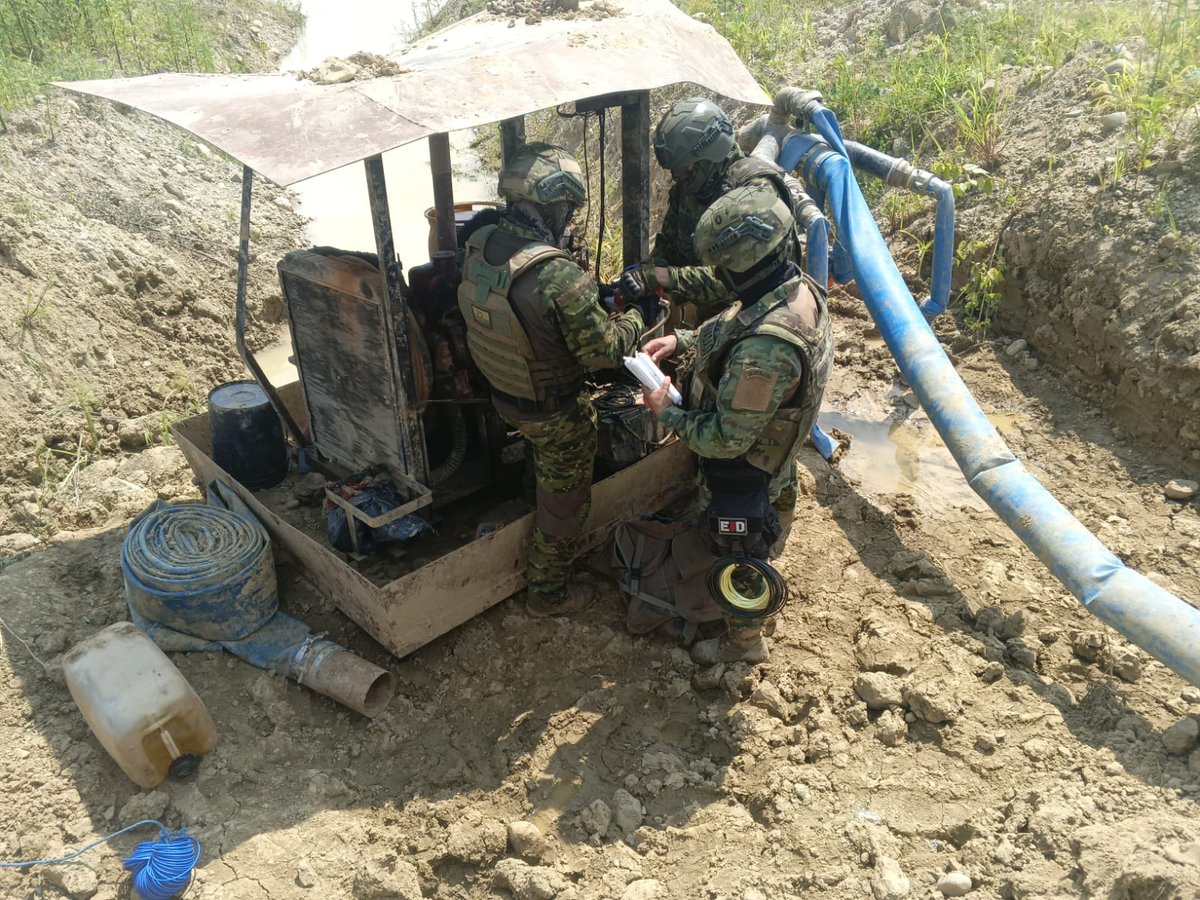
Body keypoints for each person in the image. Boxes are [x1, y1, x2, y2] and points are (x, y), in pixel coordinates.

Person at [457, 143, 657, 618]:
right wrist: (640, 315)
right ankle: (547, 594)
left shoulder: (480, 244)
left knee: (543, 466)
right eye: (567, 209)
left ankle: (534, 496)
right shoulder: (557, 273)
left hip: (507, 399)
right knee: (566, 508)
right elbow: (605, 352)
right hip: (556, 415)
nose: (568, 219)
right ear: (553, 204)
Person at [640, 182, 833, 664]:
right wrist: (683, 340)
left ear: (743, 267)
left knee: (740, 553)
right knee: (758, 529)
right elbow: (734, 321)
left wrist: (667, 412)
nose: (719, 276)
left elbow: (724, 439)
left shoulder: (765, 352)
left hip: (745, 472)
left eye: (724, 268)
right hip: (773, 450)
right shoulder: (792, 286)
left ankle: (743, 643)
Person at [618, 96, 811, 321]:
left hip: (760, 318)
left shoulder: (756, 194)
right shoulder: (691, 187)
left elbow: (736, 281)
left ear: (710, 155)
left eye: (685, 168)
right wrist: (645, 272)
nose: (677, 176)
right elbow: (669, 246)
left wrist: (662, 277)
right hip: (711, 316)